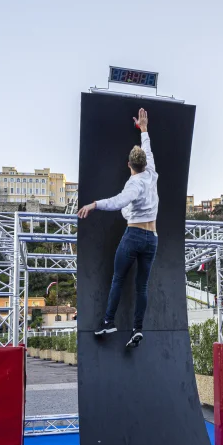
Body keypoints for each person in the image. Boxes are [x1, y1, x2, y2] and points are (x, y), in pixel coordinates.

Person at [78, 108, 158, 349]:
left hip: (134, 236)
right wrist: (143, 129)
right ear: (144, 163)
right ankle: (137, 329)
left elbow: (118, 202)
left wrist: (94, 204)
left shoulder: (134, 184)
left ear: (129, 165)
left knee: (118, 279)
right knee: (142, 285)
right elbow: (149, 150)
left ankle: (108, 321)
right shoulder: (152, 173)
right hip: (152, 237)